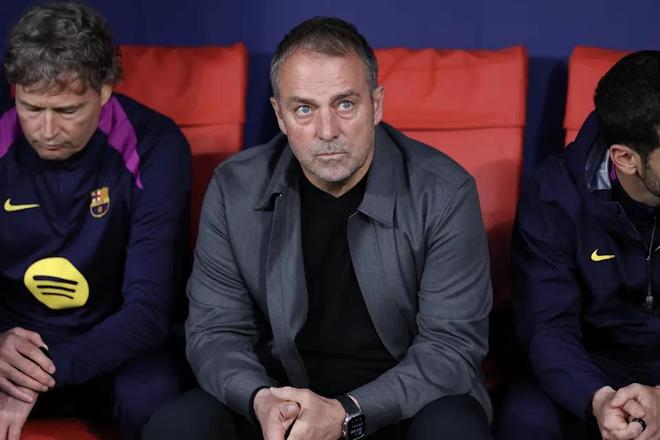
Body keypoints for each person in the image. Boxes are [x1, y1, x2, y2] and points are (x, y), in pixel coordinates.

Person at [144, 16, 492, 440]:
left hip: (399, 406)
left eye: (345, 104)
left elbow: (451, 348)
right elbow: (216, 332)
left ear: (376, 105)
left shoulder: (443, 192)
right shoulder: (235, 189)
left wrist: (347, 413)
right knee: (177, 427)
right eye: (304, 109)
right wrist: (260, 400)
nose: (327, 131)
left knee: (454, 430)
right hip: (280, 401)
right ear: (280, 115)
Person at [0, 2, 191, 439]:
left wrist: (42, 372)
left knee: (154, 399)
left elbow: (148, 312)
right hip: (11, 347)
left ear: (104, 90)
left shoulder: (155, 145)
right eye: (31, 108)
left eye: (67, 111)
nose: (46, 130)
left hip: (116, 348)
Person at [497, 50, 660, 440]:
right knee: (527, 420)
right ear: (625, 158)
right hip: (593, 363)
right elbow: (547, 324)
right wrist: (599, 399)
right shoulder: (554, 194)